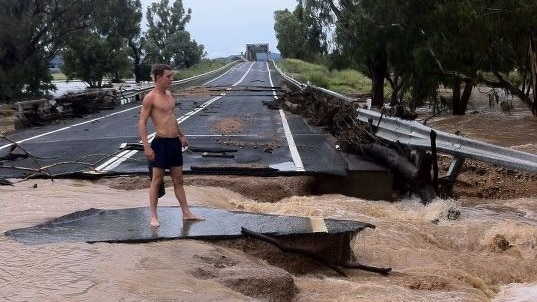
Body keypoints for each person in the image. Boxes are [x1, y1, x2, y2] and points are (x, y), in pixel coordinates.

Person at [138, 64, 203, 227]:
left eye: (171, 76)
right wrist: (146, 147)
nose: (171, 79)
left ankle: (186, 213)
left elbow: (172, 118)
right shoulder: (150, 97)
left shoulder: (169, 94)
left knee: (178, 180)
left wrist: (182, 135)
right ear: (159, 78)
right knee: (156, 180)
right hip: (160, 143)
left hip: (174, 143)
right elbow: (142, 122)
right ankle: (153, 216)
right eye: (168, 76)